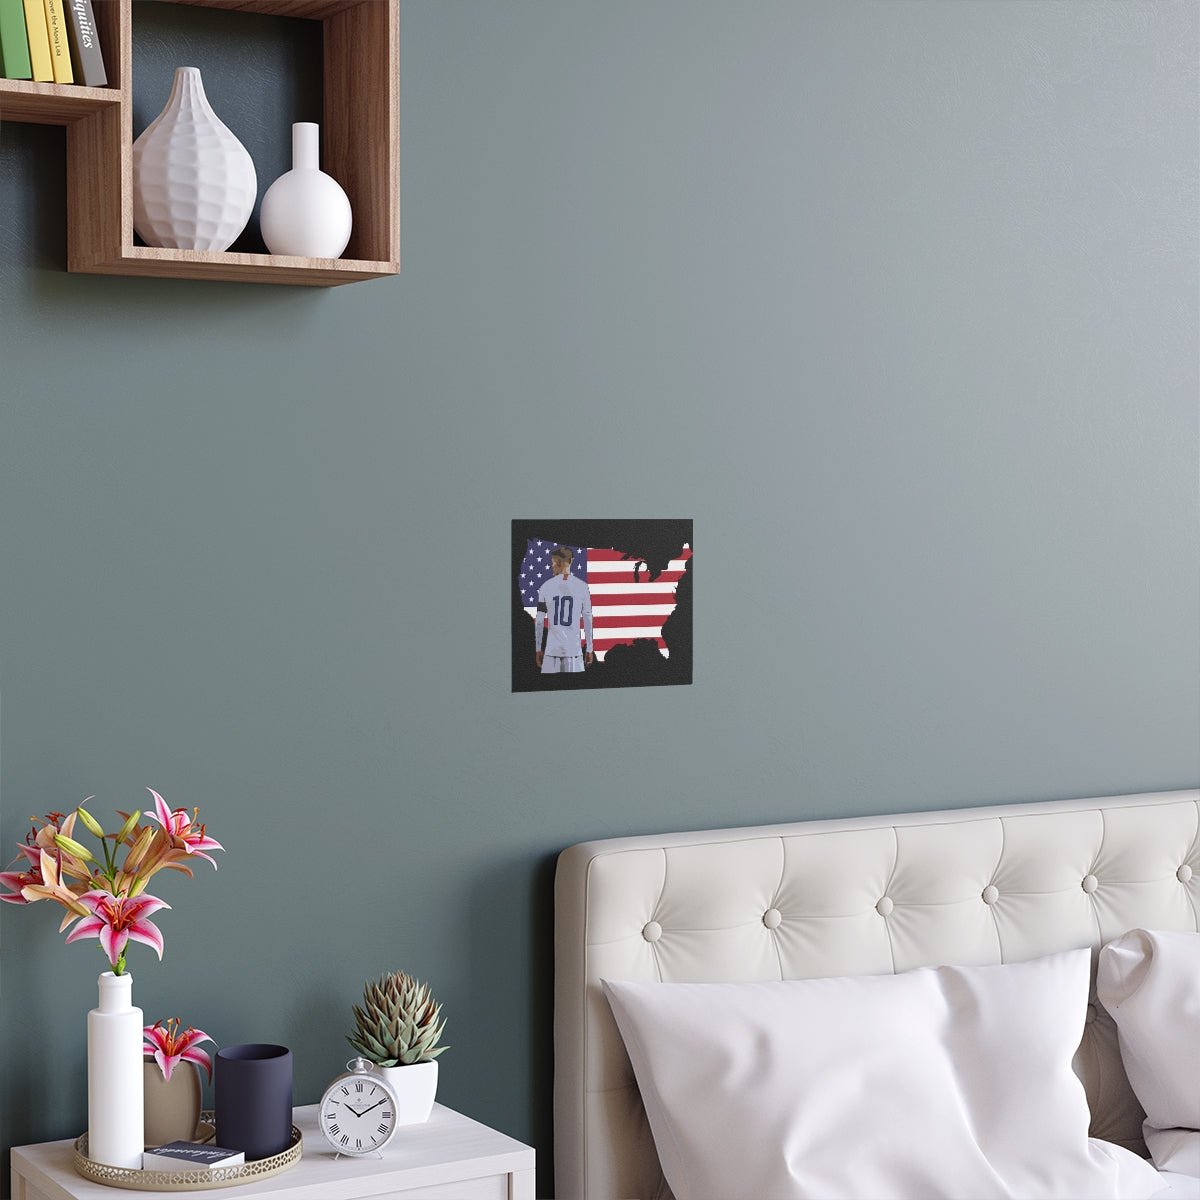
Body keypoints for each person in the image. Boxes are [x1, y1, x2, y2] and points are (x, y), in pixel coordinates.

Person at [535, 546, 594, 673]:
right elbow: (588, 620)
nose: (552, 566)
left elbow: (539, 621)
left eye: (552, 563)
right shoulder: (582, 587)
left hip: (552, 652)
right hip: (574, 652)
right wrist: (589, 648)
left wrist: (538, 648)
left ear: (559, 562)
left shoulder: (545, 587)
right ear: (571, 561)